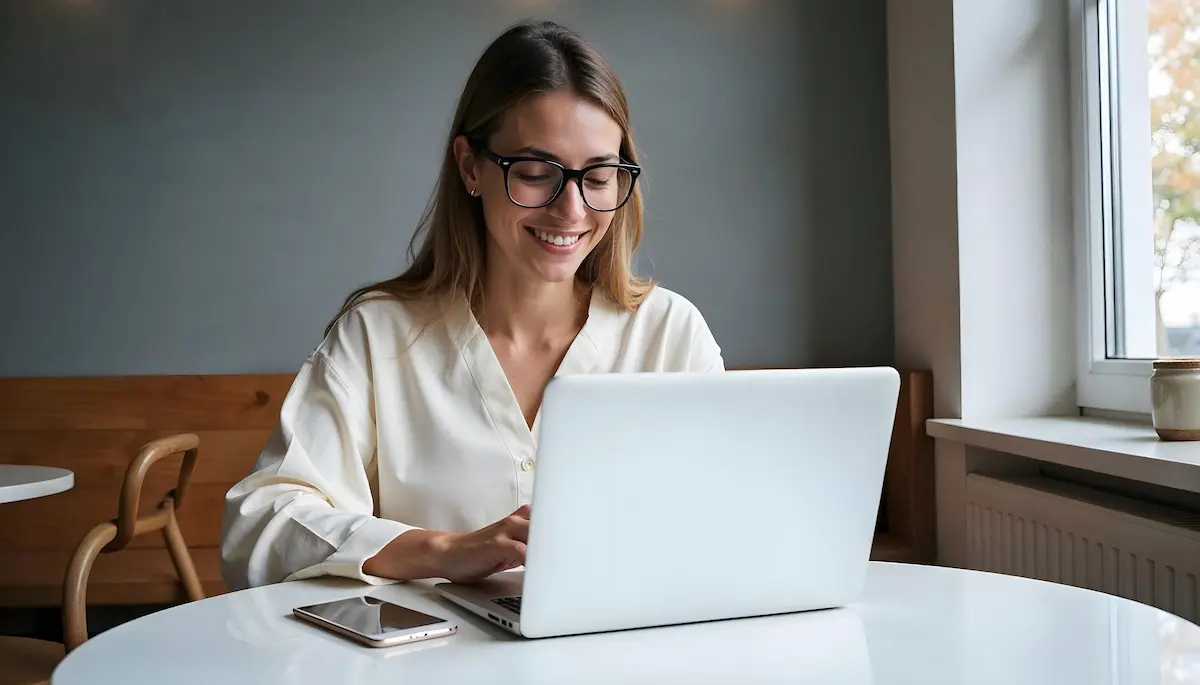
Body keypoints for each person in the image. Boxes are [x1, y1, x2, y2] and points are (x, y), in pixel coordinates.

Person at [219, 19, 724, 592]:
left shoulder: (669, 336)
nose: (572, 210)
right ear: (469, 167)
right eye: (536, 174)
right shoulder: (378, 337)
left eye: (600, 177)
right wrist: (441, 550)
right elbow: (258, 525)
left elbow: (733, 518)